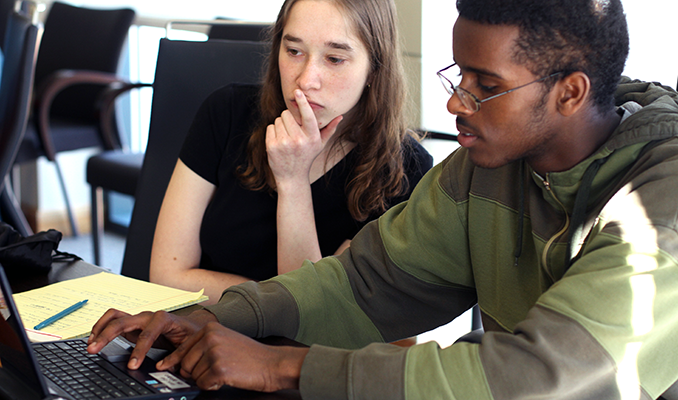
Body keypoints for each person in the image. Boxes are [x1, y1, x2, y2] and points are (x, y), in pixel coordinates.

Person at [88, 0, 678, 398]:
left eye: (487, 87)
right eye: (460, 77)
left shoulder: (662, 208)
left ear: (571, 93)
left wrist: (278, 366)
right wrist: (205, 320)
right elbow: (360, 284)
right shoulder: (483, 172)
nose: (456, 104)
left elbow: (535, 375)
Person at [149, 0, 433, 303]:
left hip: (301, 351)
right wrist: (273, 300)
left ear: (375, 67)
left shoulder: (404, 169)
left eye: (335, 59)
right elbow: (167, 275)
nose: (306, 80)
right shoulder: (227, 112)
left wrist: (293, 180)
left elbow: (313, 311)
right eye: (294, 51)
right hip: (200, 332)